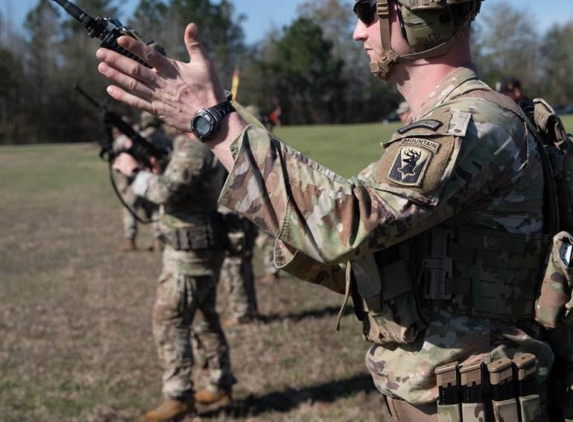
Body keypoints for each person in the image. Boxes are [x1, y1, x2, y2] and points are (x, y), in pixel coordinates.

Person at [96, 0, 566, 420]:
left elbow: (344, 223)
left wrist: (214, 121)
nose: (357, 32)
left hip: (474, 402)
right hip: (461, 396)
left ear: (419, 14)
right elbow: (338, 216)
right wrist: (219, 116)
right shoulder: (459, 121)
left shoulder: (472, 125)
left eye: (367, 13)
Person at [112, 129, 237, 421]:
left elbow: (165, 191)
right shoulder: (198, 144)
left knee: (169, 320)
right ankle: (220, 382)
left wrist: (134, 172)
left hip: (190, 252)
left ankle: (179, 395)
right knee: (204, 318)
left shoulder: (194, 147)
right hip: (197, 247)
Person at [112, 114, 164, 252]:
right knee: (155, 212)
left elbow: (116, 148)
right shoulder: (163, 138)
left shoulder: (133, 138)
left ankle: (131, 241)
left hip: (132, 182)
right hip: (152, 180)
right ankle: (158, 240)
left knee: (130, 210)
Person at [219, 205, 260, 326]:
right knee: (243, 264)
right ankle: (249, 311)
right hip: (243, 210)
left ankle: (242, 314)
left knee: (233, 265)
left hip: (232, 215)